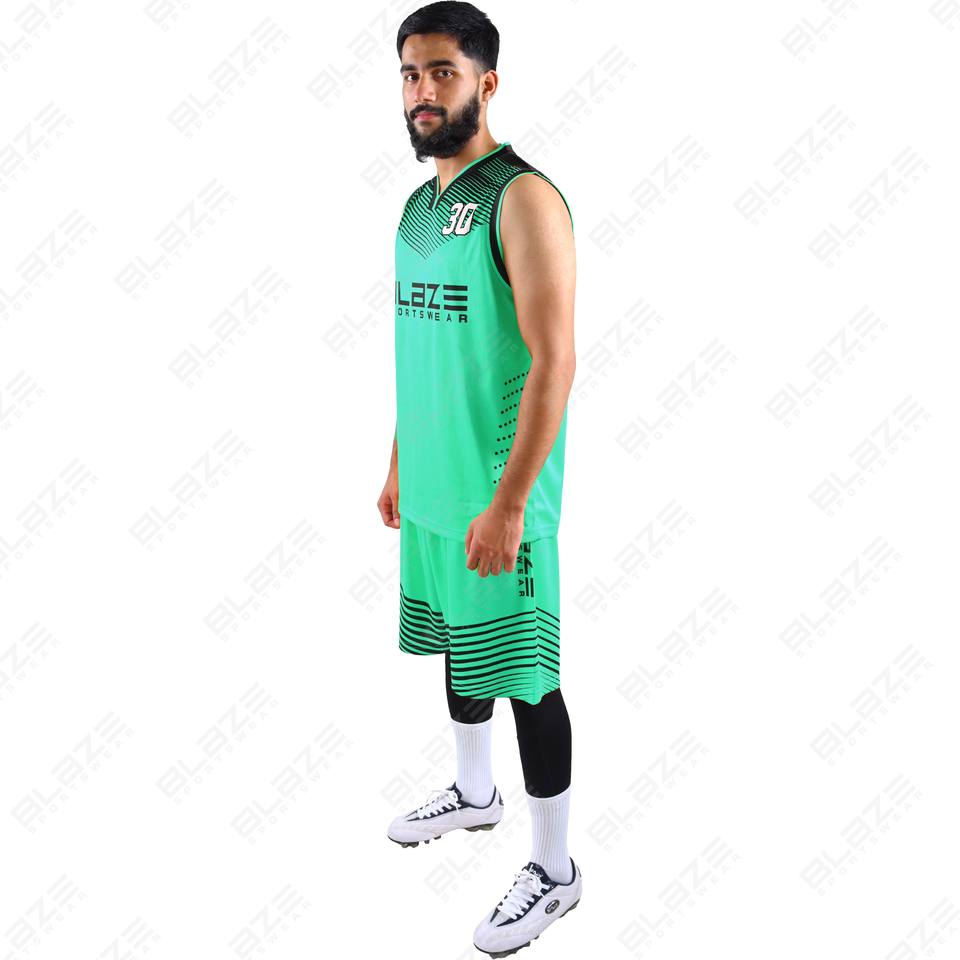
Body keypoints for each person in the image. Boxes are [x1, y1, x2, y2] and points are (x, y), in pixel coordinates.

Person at [376, 3, 580, 955]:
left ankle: (555, 870)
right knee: (460, 647)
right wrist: (399, 460)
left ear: (486, 84)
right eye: (411, 74)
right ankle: (473, 791)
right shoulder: (419, 210)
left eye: (443, 73)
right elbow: (427, 347)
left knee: (528, 678)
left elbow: (554, 361)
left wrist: (508, 503)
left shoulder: (522, 198)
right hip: (435, 490)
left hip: (502, 500)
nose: (423, 91)